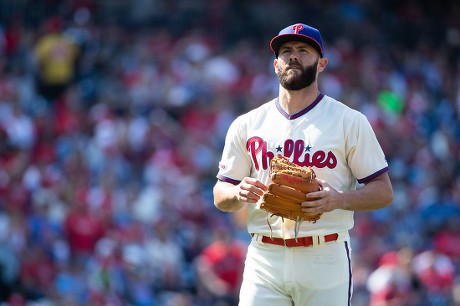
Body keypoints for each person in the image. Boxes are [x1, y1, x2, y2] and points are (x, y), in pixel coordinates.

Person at [213, 22, 393, 306]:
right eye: (286, 51)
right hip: (265, 256)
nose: (293, 56)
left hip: (324, 252)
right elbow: (221, 194)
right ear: (275, 64)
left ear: (322, 64)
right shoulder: (247, 124)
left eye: (303, 50)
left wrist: (338, 200)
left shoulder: (349, 121)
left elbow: (383, 191)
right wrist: (236, 193)